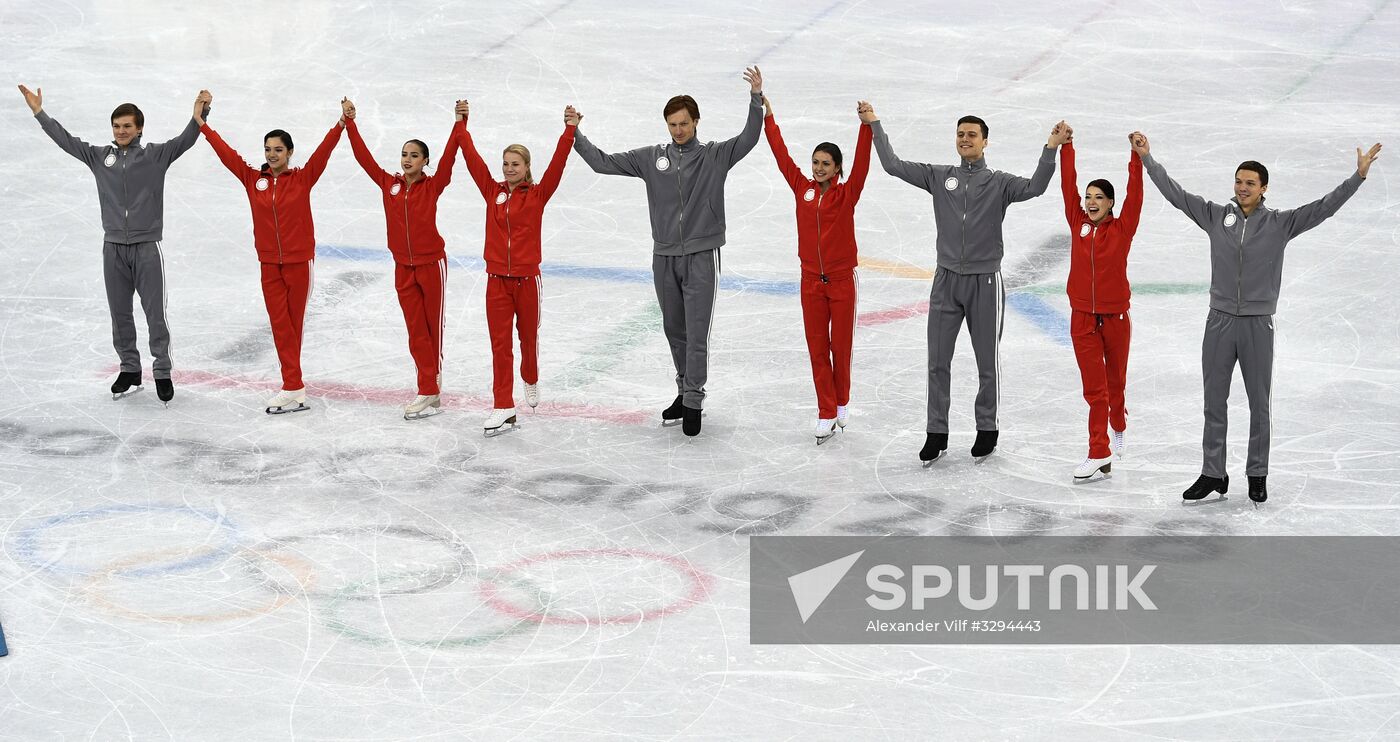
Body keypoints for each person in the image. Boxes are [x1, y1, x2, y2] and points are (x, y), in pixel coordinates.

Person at [1134, 132, 1382, 504]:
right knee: (1214, 401)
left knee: (1258, 404)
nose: (1242, 187)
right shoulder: (1216, 216)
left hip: (1256, 325)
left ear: (1264, 188)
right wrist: (1147, 159)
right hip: (1218, 322)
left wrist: (1357, 176)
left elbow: (1324, 207)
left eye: (1250, 183)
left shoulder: (1280, 224)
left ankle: (1257, 473)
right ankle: (1213, 473)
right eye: (1238, 181)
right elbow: (1177, 195)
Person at [866, 105, 1069, 464]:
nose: (965, 139)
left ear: (985, 142)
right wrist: (874, 125)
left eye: (972, 135)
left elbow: (1036, 187)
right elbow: (892, 165)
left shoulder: (999, 183)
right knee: (937, 361)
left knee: (986, 362)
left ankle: (987, 428)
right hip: (945, 282)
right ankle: (936, 432)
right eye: (960, 134)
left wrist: (1050, 147)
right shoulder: (939, 176)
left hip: (984, 283)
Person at [571, 67, 765, 437]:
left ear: (696, 122)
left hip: (702, 255)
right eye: (672, 124)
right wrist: (576, 135)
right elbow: (602, 163)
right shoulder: (651, 158)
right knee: (674, 329)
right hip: (663, 257)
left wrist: (756, 99)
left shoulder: (715, 156)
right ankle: (682, 389)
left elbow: (749, 138)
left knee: (696, 332)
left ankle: (694, 398)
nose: (678, 130)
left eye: (684, 123)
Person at [19, 84, 209, 406]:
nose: (121, 131)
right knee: (120, 314)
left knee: (155, 314)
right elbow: (66, 141)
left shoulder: (155, 156)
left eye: (127, 126)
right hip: (113, 249)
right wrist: (39, 112)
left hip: (146, 248)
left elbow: (186, 140)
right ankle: (130, 368)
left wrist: (200, 114)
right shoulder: (99, 157)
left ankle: (162, 371)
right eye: (116, 126)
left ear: (139, 129)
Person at [197, 94, 345, 414]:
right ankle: (293, 385)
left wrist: (341, 124)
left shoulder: (302, 178)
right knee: (280, 325)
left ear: (289, 152)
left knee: (292, 325)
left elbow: (324, 152)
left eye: (278, 149)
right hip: (269, 264)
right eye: (268, 149)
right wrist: (203, 125)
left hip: (298, 263)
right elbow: (228, 155)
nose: (272, 154)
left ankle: (293, 385)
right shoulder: (254, 180)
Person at [456, 99, 576, 436]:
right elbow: (472, 159)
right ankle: (503, 405)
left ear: (526, 167)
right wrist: (462, 124)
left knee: (527, 338)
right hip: (496, 280)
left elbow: (558, 164)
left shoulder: (537, 195)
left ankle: (531, 376)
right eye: (506, 164)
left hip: (526, 281)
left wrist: (569, 130)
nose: (509, 169)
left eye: (515, 164)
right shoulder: (491, 191)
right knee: (500, 345)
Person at [762, 91, 873, 444]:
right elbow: (781, 156)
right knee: (816, 348)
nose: (819, 168)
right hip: (810, 281)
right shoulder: (802, 189)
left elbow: (863, 163)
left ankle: (841, 401)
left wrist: (866, 127)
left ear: (837, 168)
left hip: (841, 281)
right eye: (815, 162)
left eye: (826, 163)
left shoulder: (846, 194)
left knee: (840, 347)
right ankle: (826, 410)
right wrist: (768, 118)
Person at [342, 97, 461, 421]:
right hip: (402, 267)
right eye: (404, 154)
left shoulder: (432, 186)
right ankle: (428, 386)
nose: (407, 160)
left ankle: (430, 386)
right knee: (415, 330)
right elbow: (364, 159)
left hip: (431, 264)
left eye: (414, 155)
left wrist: (459, 124)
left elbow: (450, 159)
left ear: (425, 161)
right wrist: (350, 124)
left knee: (432, 328)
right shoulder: (389, 184)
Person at [1059, 129, 1143, 481]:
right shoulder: (1077, 222)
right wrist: (1066, 148)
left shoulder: (1122, 229)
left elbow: (1136, 195)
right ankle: (1099, 451)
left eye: (1099, 198)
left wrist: (1137, 157)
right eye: (1088, 197)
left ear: (1110, 203)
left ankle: (1118, 422)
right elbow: (1068, 185)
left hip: (1115, 317)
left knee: (1115, 382)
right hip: (1082, 317)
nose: (1091, 202)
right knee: (1095, 390)